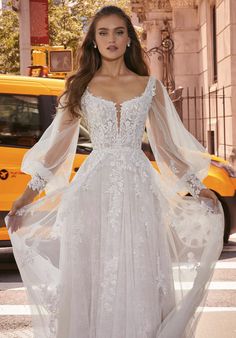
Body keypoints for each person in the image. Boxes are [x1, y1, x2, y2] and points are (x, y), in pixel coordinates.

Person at [6, 5, 224, 338]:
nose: (111, 39)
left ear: (129, 40)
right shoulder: (80, 86)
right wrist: (25, 196)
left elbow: (166, 148)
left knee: (139, 270)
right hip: (92, 192)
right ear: (93, 41)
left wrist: (198, 187)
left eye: (119, 32)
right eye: (103, 32)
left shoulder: (150, 86)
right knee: (93, 275)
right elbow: (55, 151)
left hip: (139, 190)